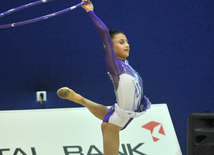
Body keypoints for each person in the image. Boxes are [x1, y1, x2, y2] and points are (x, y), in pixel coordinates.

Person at [57, 0, 151, 154]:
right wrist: (90, 11)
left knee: (113, 113)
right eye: (121, 42)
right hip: (113, 124)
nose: (127, 45)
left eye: (127, 41)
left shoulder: (127, 66)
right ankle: (80, 99)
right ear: (110, 47)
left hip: (122, 114)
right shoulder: (115, 65)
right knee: (113, 119)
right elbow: (104, 33)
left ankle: (80, 99)